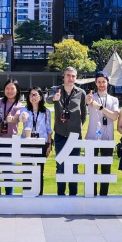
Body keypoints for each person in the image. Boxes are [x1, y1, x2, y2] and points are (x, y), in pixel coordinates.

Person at [46, 66, 87, 196]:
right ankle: (61, 195)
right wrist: (54, 98)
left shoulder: (81, 92)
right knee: (61, 166)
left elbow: (83, 114)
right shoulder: (56, 90)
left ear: (76, 78)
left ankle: (73, 195)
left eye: (73, 76)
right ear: (63, 77)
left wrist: (76, 125)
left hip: (75, 136)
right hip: (60, 135)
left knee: (74, 167)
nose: (70, 78)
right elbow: (47, 99)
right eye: (68, 75)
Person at [85, 71, 121, 196]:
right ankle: (92, 195)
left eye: (103, 82)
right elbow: (85, 107)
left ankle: (104, 196)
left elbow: (114, 116)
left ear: (107, 83)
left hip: (107, 137)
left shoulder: (114, 100)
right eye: (99, 82)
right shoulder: (90, 97)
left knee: (106, 168)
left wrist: (99, 107)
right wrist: (88, 102)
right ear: (95, 83)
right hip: (92, 136)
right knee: (92, 168)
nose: (101, 84)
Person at [20, 87, 53, 194]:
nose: (33, 97)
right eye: (31, 95)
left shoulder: (46, 112)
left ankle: (39, 194)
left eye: (35, 95)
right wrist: (23, 117)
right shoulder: (25, 110)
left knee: (39, 170)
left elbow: (48, 129)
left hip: (41, 143)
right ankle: (27, 194)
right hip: (27, 143)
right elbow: (22, 117)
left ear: (40, 97)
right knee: (27, 170)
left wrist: (49, 144)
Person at [0, 78, 24, 195]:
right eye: (7, 88)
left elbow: (18, 117)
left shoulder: (19, 106)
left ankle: (9, 195)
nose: (9, 91)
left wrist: (13, 119)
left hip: (10, 142)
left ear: (17, 90)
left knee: (8, 170)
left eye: (12, 88)